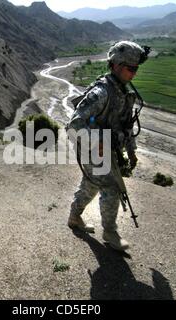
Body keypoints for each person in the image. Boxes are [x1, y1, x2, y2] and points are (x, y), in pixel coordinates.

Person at [66, 41, 149, 251]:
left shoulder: (124, 93)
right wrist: (97, 142)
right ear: (116, 65)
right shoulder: (101, 92)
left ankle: (74, 216)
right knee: (111, 187)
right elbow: (74, 125)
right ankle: (110, 232)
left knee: (91, 184)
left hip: (109, 151)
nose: (134, 74)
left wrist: (132, 153)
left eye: (136, 69)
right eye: (131, 69)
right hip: (93, 149)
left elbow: (127, 126)